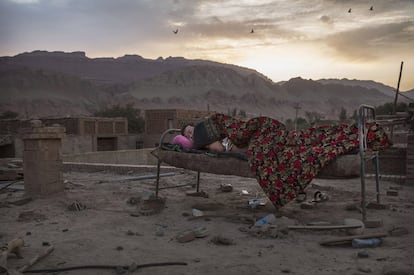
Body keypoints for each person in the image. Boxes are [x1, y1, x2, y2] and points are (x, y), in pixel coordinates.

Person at [179, 113, 391, 209]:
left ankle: (355, 135)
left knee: (304, 138)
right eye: (187, 136)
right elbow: (220, 148)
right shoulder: (204, 142)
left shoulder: (209, 130)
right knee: (304, 153)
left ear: (195, 127)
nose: (189, 136)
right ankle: (352, 141)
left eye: (190, 131)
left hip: (262, 138)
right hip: (255, 147)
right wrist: (200, 142)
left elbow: (236, 129)